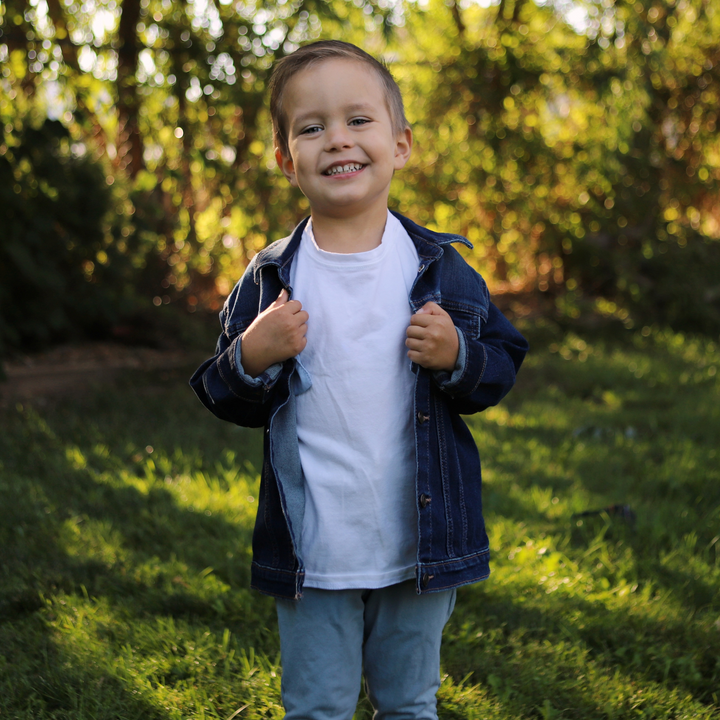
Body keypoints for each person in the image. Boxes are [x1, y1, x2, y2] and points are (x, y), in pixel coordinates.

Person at [190, 40, 528, 719]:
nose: (337, 139)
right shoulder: (272, 279)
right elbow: (220, 390)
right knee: (317, 708)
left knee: (409, 702)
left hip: (418, 544)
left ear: (401, 144)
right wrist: (253, 355)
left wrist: (458, 353)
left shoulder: (440, 270)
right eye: (312, 127)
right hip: (314, 550)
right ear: (288, 161)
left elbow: (501, 366)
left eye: (358, 120)